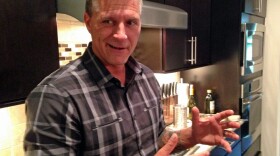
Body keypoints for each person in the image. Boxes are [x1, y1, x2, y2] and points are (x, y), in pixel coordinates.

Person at [24, 0, 240, 155]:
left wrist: (189, 136)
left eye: (131, 22)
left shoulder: (146, 78)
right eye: (108, 21)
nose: (121, 35)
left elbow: (155, 141)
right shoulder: (55, 97)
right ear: (89, 22)